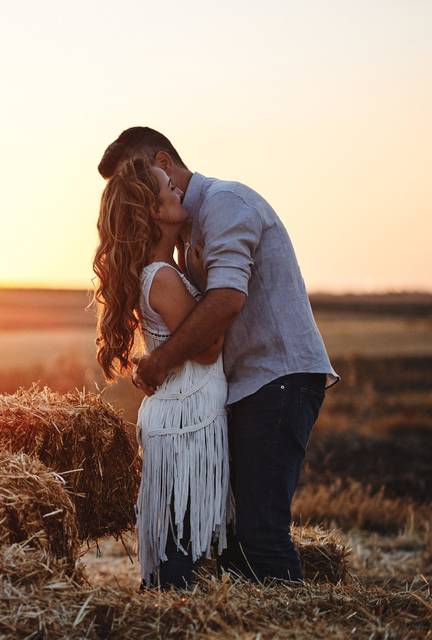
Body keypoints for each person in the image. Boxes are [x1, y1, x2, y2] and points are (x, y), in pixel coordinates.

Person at [97, 127, 339, 583]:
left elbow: (226, 300)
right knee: (233, 533)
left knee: (258, 530)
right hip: (235, 391)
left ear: (164, 163)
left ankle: (287, 623)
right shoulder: (178, 243)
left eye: (140, 173)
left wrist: (159, 361)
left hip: (275, 379)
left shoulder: (226, 205)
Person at [91, 156, 232, 589]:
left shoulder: (161, 272)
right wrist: (214, 283)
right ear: (155, 212)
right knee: (179, 550)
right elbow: (208, 349)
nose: (176, 188)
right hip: (185, 424)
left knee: (180, 540)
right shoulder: (162, 278)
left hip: (182, 417)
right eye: (167, 187)